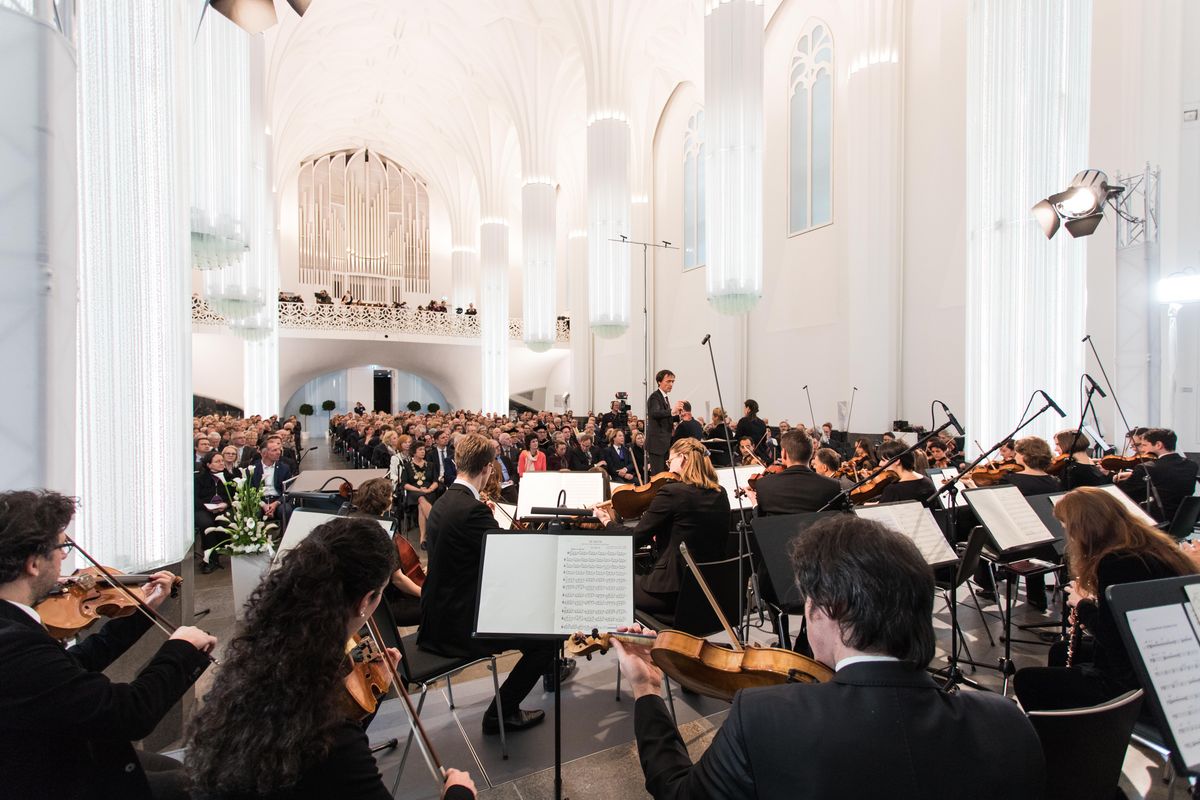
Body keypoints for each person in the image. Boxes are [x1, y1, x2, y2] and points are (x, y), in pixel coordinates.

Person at [610, 514, 1044, 799]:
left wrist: (648, 689)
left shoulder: (762, 717)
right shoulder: (1007, 722)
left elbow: (676, 792)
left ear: (827, 609)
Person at [185, 517, 476, 799]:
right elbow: (335, 752)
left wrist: (372, 691)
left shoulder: (259, 659)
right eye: (380, 595)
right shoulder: (332, 741)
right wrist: (458, 792)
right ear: (365, 601)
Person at [0, 490, 217, 799]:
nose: (65, 556)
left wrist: (144, 609)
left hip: (62, 750)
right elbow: (129, 714)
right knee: (203, 785)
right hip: (51, 776)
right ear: (33, 563)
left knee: (188, 771)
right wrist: (180, 649)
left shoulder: (14, 624)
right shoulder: (13, 644)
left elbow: (76, 665)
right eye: (61, 546)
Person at [418, 434, 560, 735]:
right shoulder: (471, 510)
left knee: (534, 624)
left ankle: (550, 672)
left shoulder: (444, 501)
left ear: (457, 463)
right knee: (547, 639)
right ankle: (500, 714)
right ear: (487, 468)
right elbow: (509, 557)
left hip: (437, 614)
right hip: (457, 625)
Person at [1014, 487, 1198, 712]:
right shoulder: (1150, 546)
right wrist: (1096, 604)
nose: (1069, 536)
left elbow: (1112, 639)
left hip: (1131, 679)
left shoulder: (1115, 561)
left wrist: (1082, 604)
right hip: (1162, 655)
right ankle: (1070, 720)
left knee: (1026, 680)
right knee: (1061, 650)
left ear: (1086, 530)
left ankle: (1072, 729)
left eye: (1068, 529)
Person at [594, 438, 730, 620]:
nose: (668, 467)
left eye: (670, 461)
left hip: (671, 592)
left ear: (682, 458)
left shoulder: (672, 492)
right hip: (708, 590)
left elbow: (633, 540)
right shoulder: (720, 493)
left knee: (608, 583)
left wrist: (607, 522)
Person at [1118, 427, 1199, 523]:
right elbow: (1168, 480)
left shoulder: (1147, 467)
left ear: (1158, 445)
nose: (1142, 449)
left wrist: (1110, 477)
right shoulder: (1191, 465)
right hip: (1182, 521)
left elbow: (1124, 493)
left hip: (1157, 521)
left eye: (1144, 445)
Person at [751, 431, 842, 515]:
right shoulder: (833, 486)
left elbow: (760, 522)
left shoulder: (763, 485)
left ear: (784, 454)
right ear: (811, 453)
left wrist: (755, 505)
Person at [194, 450, 234, 573]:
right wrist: (208, 507)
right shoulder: (199, 478)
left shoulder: (229, 477)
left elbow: (234, 495)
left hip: (223, 508)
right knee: (207, 524)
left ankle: (218, 553)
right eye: (217, 461)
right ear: (209, 465)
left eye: (222, 461)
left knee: (224, 524)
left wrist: (226, 504)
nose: (221, 463)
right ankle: (210, 559)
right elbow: (195, 498)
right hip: (204, 508)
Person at [876, 441, 937, 506]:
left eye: (883, 460)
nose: (880, 464)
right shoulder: (928, 482)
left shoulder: (893, 490)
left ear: (897, 461)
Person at [402, 444, 439, 549]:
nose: (423, 451)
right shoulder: (407, 466)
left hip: (429, 491)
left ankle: (423, 538)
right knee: (421, 498)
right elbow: (404, 484)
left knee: (421, 506)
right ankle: (436, 526)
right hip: (414, 491)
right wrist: (419, 490)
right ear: (414, 452)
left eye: (424, 449)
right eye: (420, 449)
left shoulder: (430, 465)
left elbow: (436, 481)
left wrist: (429, 489)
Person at [645, 369, 681, 474]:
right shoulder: (654, 397)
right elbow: (654, 413)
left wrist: (678, 416)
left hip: (664, 444)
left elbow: (665, 418)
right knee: (658, 476)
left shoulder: (664, 398)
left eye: (672, 381)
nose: (671, 384)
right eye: (668, 381)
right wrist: (671, 411)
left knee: (665, 475)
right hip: (657, 445)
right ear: (659, 382)